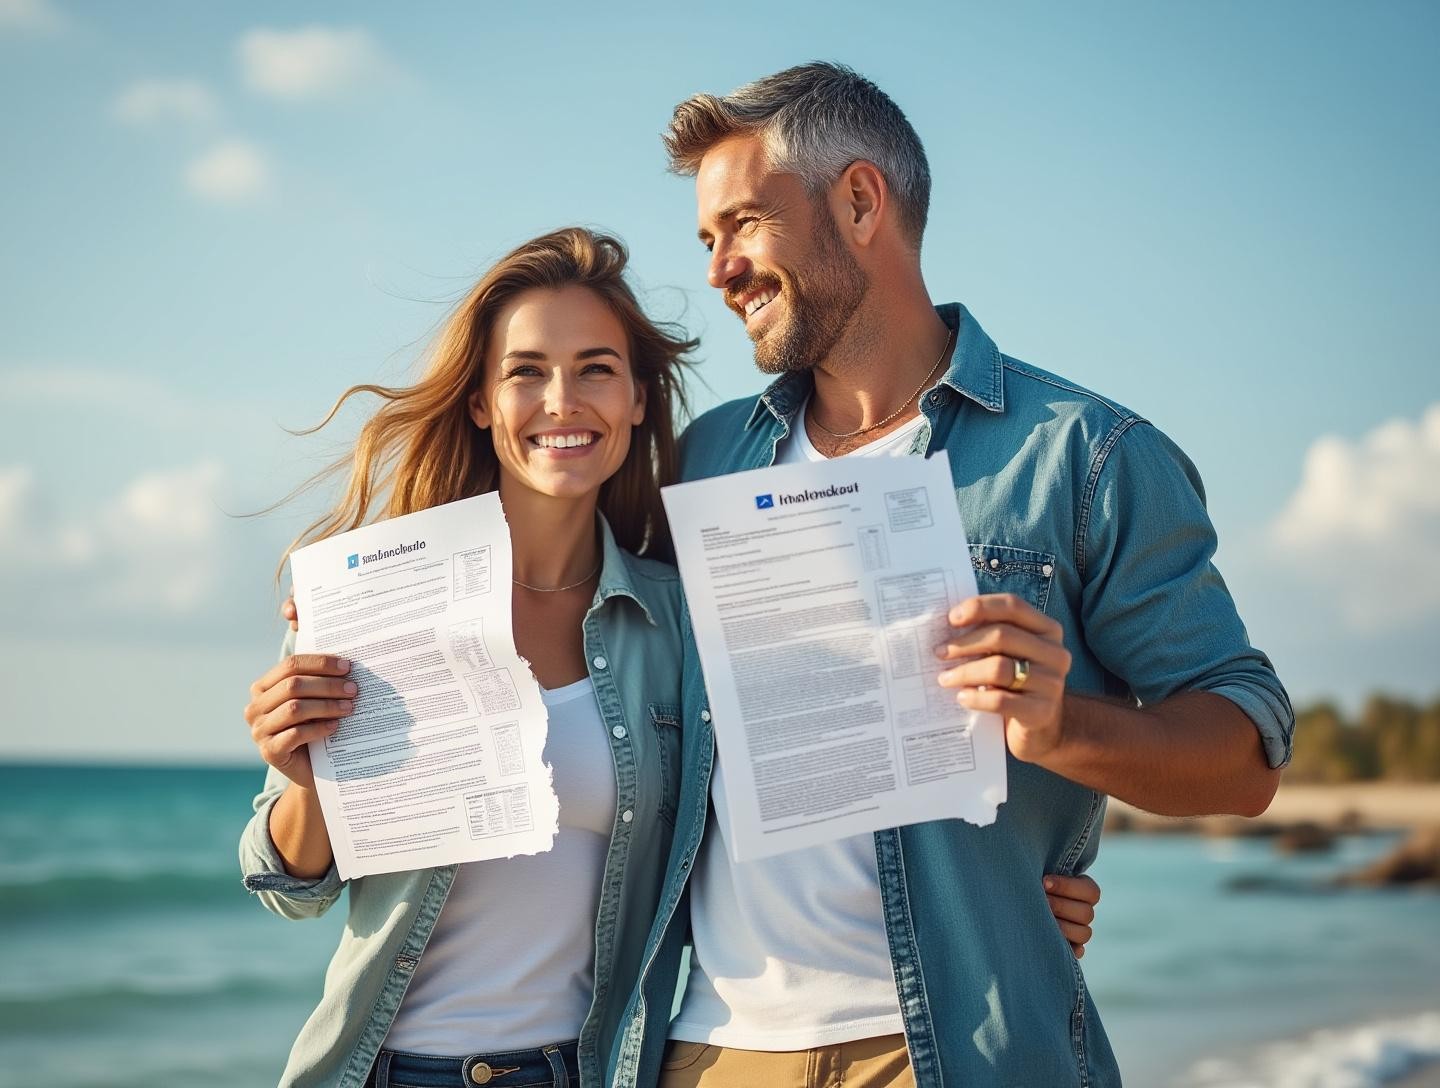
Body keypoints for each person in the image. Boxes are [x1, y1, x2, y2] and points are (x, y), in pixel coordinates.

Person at [240, 227, 1101, 1088]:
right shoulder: (372, 604)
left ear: (640, 400)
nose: (563, 400)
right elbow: (292, 886)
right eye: (526, 371)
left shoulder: (678, 616)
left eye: (597, 369)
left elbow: (826, 763)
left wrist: (1009, 899)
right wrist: (309, 771)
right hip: (382, 1069)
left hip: (589, 1070)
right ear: (480, 403)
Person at [611, 64, 1294, 1088]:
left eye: (743, 224)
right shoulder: (706, 458)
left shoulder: (1086, 455)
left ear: (857, 200)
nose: (720, 271)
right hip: (713, 1049)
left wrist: (1067, 733)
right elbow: (609, 674)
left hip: (959, 1050)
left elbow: (1245, 752)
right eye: (707, 240)